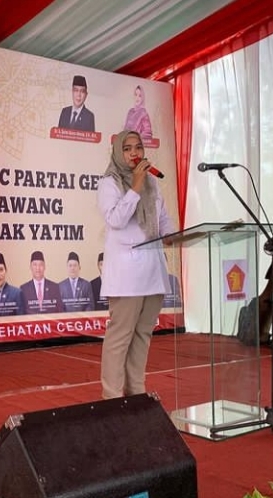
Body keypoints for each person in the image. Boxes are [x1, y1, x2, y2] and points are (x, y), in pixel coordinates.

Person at [97, 130, 174, 399]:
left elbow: (162, 219)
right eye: (128, 148)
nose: (134, 153)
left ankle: (136, 394)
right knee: (120, 337)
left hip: (152, 271)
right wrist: (135, 187)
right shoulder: (110, 183)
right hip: (126, 275)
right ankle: (112, 398)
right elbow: (116, 220)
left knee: (143, 335)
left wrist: (171, 236)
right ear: (118, 152)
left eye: (138, 147)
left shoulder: (152, 182)